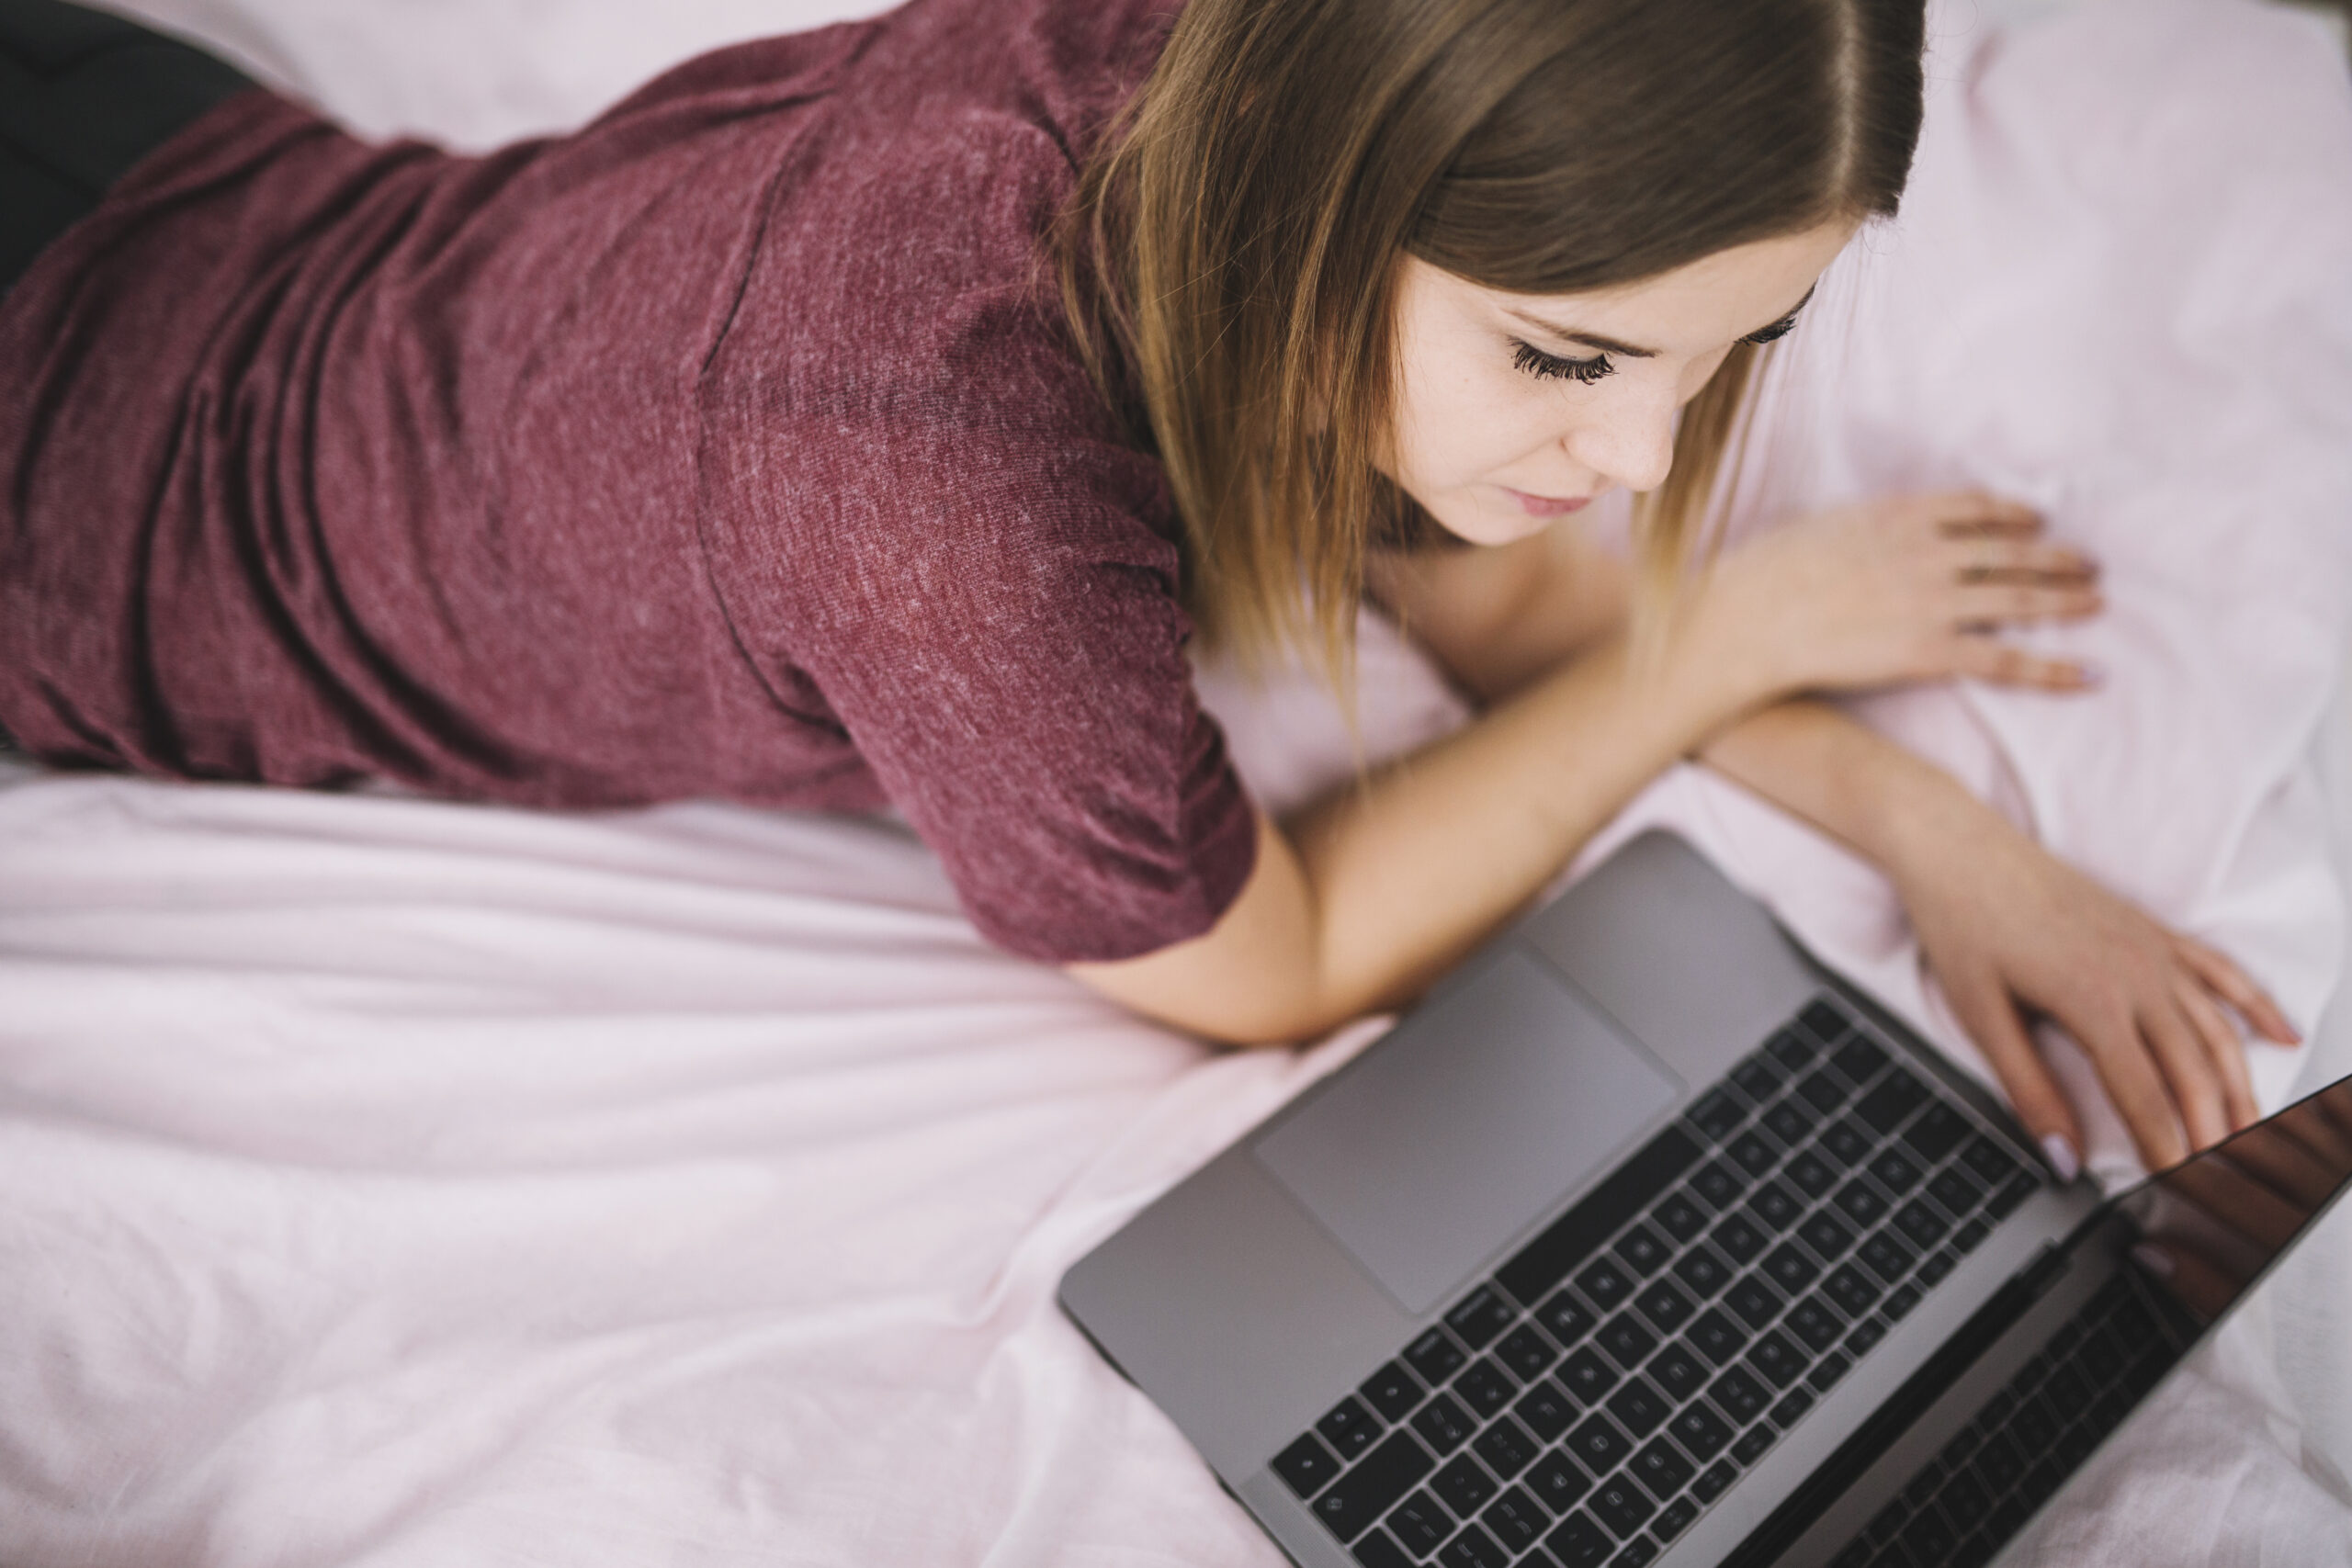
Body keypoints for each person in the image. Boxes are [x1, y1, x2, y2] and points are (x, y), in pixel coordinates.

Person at [0, 0, 2299, 1178]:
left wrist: (1945, 828)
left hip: (178, 160)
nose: (1626, 463)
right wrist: (1716, 630)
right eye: (1568, 358)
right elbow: (1260, 960)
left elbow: (1478, 586)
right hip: (53, 504)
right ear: (1351, 192)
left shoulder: (1261, 97)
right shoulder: (934, 497)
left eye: (1731, 354)